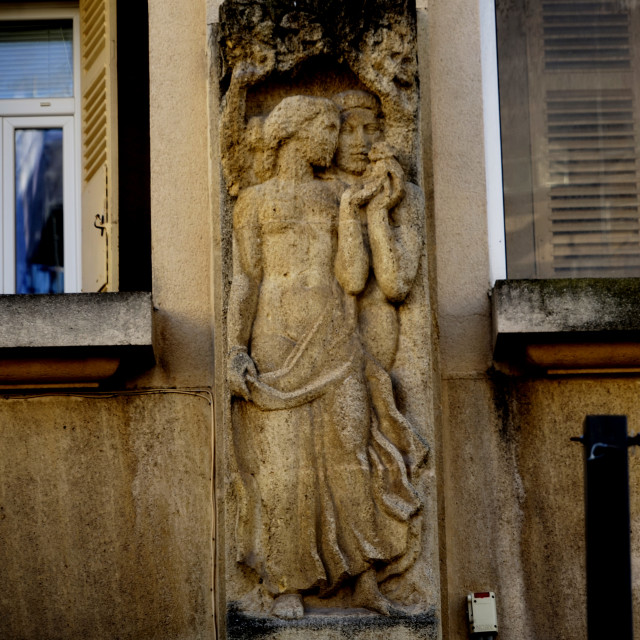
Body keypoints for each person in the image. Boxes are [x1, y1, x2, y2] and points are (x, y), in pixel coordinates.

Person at [227, 94, 424, 619]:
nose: (338, 141)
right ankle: (286, 582)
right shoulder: (254, 200)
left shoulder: (338, 194)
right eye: (330, 129)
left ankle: (363, 578)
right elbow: (245, 281)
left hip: (337, 343)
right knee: (284, 468)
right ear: (298, 132)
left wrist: (351, 209)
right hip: (275, 347)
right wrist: (233, 349)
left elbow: (354, 280)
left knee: (350, 458)